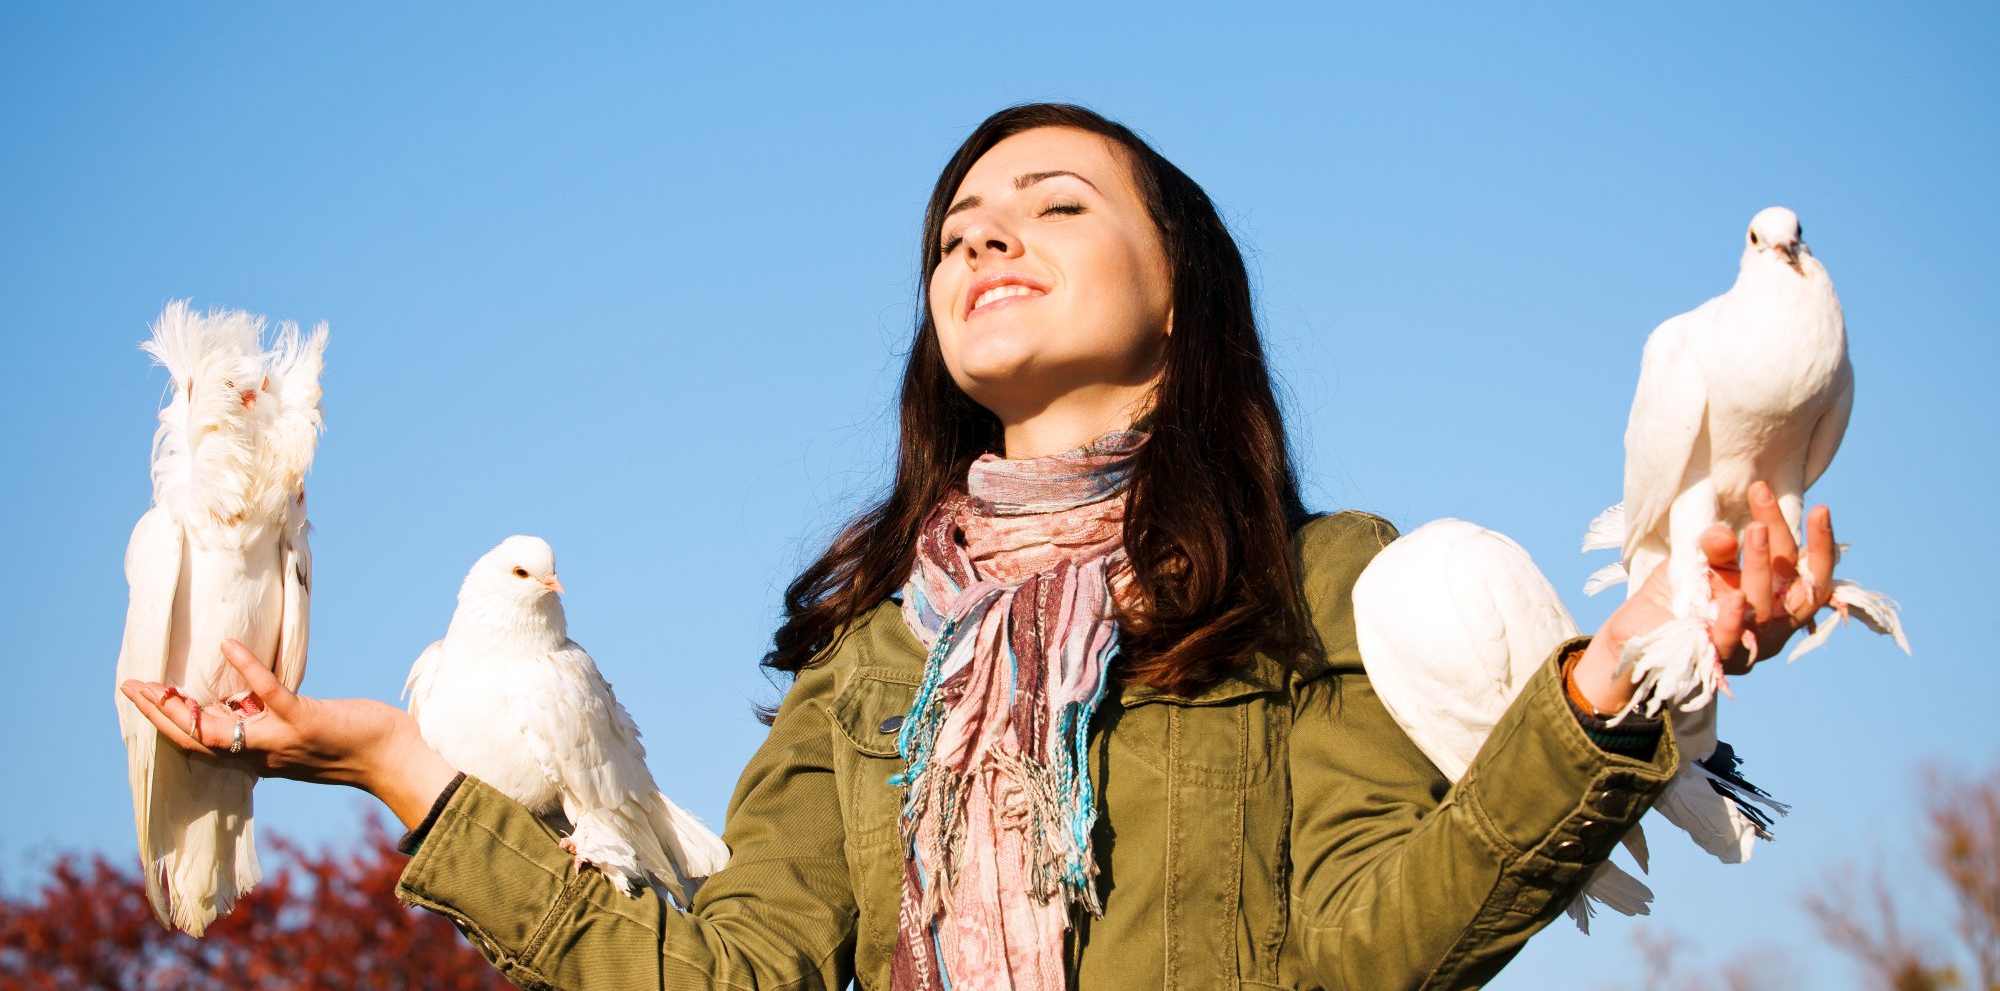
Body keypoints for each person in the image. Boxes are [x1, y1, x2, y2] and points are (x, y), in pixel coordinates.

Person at [122, 103, 1840, 991]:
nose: (986, 234)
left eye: (1054, 207)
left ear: (1182, 292)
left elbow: (1377, 953)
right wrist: (400, 762)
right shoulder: (869, 665)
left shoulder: (1321, 589)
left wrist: (1609, 690)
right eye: (958, 227)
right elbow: (731, 982)